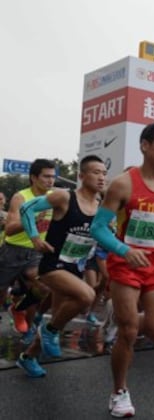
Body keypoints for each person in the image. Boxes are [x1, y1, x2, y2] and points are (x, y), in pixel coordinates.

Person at [90, 119, 154, 417]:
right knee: (130, 333)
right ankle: (119, 392)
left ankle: (119, 326)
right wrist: (124, 250)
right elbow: (99, 228)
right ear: (145, 145)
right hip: (125, 266)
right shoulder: (123, 183)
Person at [14, 155, 106, 377]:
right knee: (86, 296)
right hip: (53, 265)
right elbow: (26, 209)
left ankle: (28, 357)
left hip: (76, 268)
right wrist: (35, 238)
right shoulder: (64, 197)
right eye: (96, 172)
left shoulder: (101, 205)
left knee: (59, 318)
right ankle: (46, 329)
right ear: (82, 176)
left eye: (104, 173)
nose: (102, 177)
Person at [0, 159, 56, 338]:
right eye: (46, 176)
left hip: (36, 253)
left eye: (53, 177)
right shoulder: (21, 196)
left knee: (42, 287)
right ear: (33, 177)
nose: (50, 181)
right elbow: (9, 229)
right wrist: (30, 220)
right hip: (12, 250)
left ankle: (21, 313)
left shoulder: (53, 198)